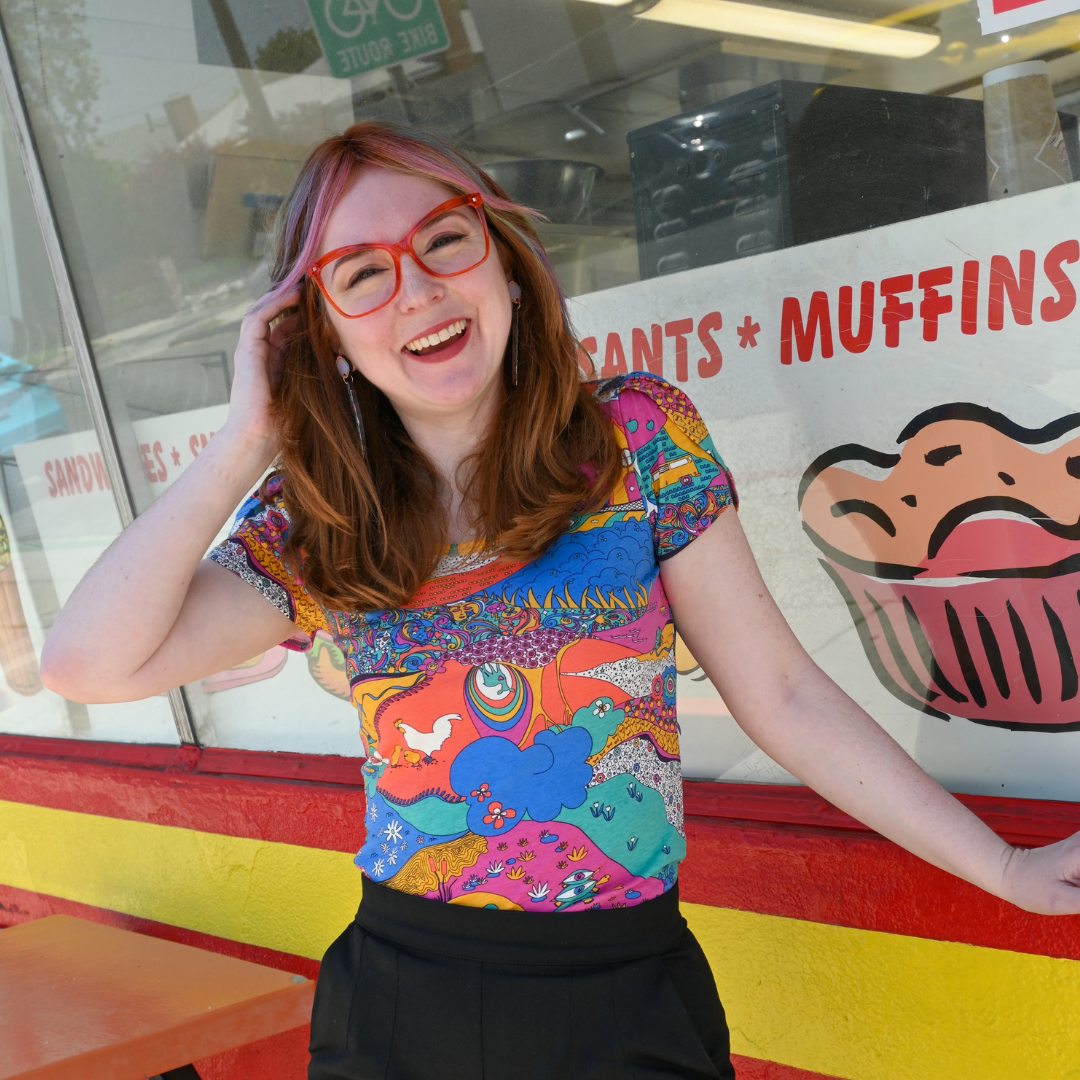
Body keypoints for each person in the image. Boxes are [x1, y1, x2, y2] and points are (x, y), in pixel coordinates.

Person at [40, 123, 1080, 1080]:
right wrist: (242, 441)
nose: (417, 291)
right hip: (404, 998)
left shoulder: (637, 440)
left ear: (502, 257)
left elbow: (784, 695)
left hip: (627, 992)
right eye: (362, 274)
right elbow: (86, 665)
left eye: (444, 241)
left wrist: (1000, 865)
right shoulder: (320, 518)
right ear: (318, 331)